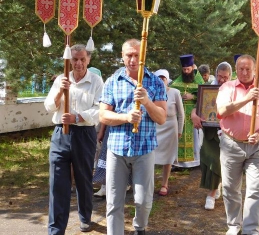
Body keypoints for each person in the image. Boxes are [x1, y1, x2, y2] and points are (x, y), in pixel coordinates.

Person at [99, 39, 167, 235]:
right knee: (113, 201)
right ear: (122, 56)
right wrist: (126, 117)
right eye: (129, 55)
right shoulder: (113, 81)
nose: (133, 59)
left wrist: (146, 101)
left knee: (143, 201)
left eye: (137, 55)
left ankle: (139, 227)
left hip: (144, 149)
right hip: (117, 149)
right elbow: (103, 115)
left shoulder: (154, 81)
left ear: (143, 56)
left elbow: (162, 117)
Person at [216, 55, 259, 235]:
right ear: (236, 70)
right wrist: (246, 99)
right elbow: (222, 111)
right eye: (241, 69)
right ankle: (234, 225)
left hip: (256, 148)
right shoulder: (227, 87)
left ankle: (251, 229)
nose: (244, 73)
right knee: (230, 188)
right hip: (231, 145)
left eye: (248, 69)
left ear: (255, 70)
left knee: (253, 189)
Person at [44, 44, 104, 234]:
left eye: (82, 59)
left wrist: (78, 117)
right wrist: (61, 91)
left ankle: (85, 217)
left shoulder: (96, 81)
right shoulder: (61, 79)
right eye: (75, 59)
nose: (78, 63)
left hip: (84, 135)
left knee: (83, 179)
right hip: (61, 134)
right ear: (69, 60)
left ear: (88, 60)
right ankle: (56, 229)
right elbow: (49, 107)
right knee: (57, 183)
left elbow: (99, 110)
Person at [191, 62, 232, 210]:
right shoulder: (208, 88)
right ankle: (217, 184)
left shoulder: (234, 89)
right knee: (206, 159)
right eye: (219, 76)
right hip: (209, 131)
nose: (221, 80)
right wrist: (194, 116)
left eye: (225, 77)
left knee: (217, 161)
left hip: (227, 133)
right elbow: (197, 107)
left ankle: (211, 193)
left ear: (230, 76)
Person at [153, 69, 184, 196]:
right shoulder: (152, 92)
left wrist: (180, 130)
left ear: (167, 80)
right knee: (151, 156)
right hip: (156, 126)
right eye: (159, 78)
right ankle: (150, 182)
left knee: (168, 157)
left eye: (163, 78)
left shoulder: (175, 92)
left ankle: (164, 184)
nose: (161, 81)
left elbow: (181, 114)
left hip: (171, 127)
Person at [170, 54, 204, 167]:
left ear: (192, 68)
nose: (186, 72)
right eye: (184, 69)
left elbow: (204, 95)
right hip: (180, 114)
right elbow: (171, 92)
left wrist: (193, 97)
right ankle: (179, 163)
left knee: (193, 137)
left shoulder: (199, 80)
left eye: (188, 69)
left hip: (192, 113)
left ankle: (193, 162)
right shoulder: (177, 82)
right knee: (179, 136)